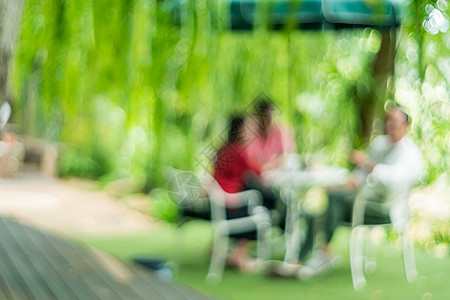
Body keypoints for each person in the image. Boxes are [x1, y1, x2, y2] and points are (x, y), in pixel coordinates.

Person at [294, 107, 424, 279]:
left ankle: (321, 254)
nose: (390, 125)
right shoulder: (379, 144)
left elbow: (390, 178)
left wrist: (367, 163)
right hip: (359, 203)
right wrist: (344, 184)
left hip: (383, 211)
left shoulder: (410, 154)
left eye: (395, 121)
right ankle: (303, 259)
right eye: (388, 120)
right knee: (319, 213)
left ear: (406, 126)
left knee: (331, 204)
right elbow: (361, 175)